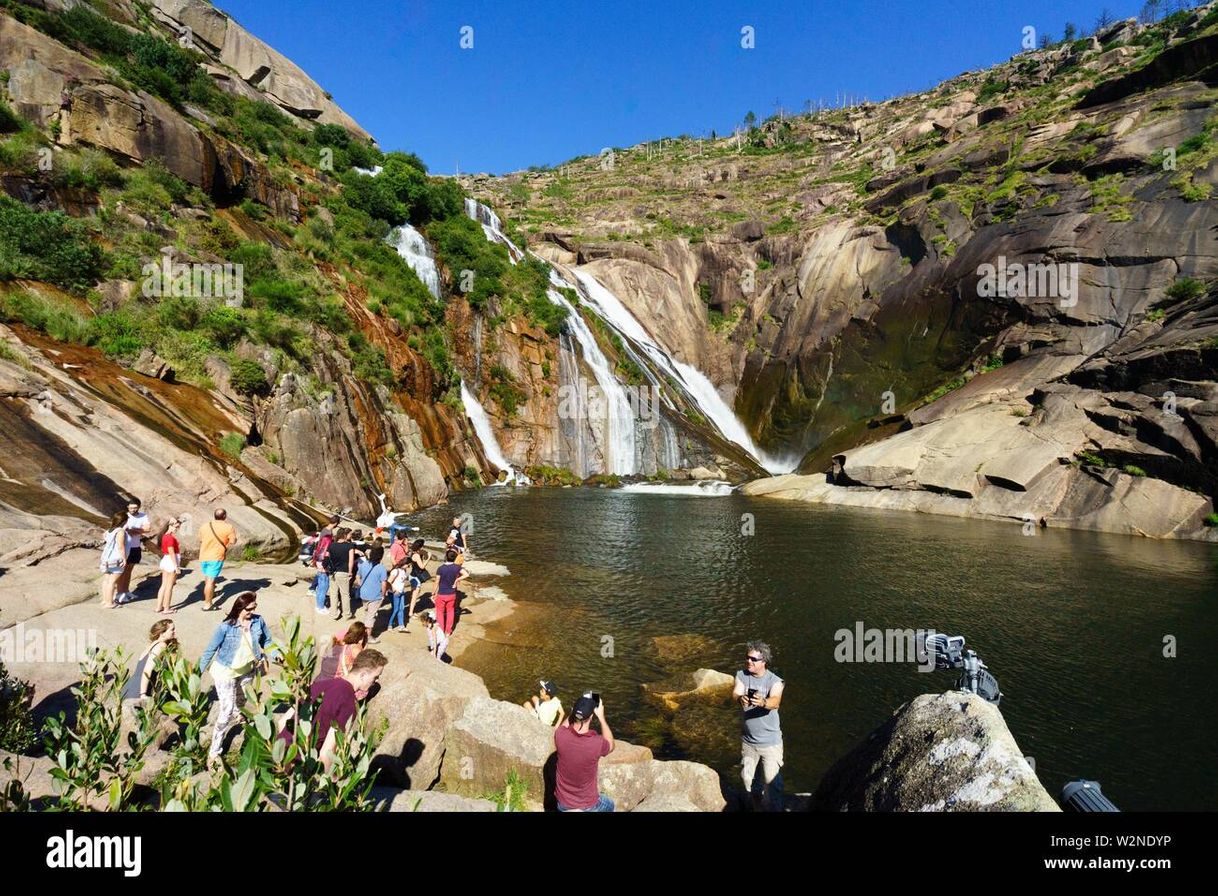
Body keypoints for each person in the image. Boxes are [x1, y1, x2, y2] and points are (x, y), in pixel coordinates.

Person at [199, 591, 276, 766]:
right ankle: (214, 752)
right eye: (249, 609)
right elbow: (210, 650)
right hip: (225, 671)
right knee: (225, 712)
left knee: (241, 702)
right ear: (240, 607)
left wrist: (276, 655)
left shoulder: (258, 621)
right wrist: (198, 672)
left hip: (247, 670)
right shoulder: (226, 626)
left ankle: (237, 713)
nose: (252, 611)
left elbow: (268, 642)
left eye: (254, 607)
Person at [284, 649, 387, 773]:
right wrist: (331, 783)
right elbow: (326, 753)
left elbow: (282, 722)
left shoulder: (320, 684)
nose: (375, 682)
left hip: (278, 756)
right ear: (363, 675)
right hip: (297, 767)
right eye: (375, 677)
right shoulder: (348, 703)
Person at [732, 640, 785, 811]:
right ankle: (757, 808)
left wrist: (763, 702)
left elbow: (775, 701)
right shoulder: (741, 675)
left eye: (754, 659)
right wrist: (740, 698)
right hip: (748, 743)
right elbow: (735, 693)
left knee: (773, 784)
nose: (749, 661)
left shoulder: (775, 681)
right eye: (747, 658)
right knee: (750, 782)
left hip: (771, 744)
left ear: (764, 662)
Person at [554, 694, 615, 812]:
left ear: (573, 711)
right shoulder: (596, 743)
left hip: (562, 803)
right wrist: (602, 717)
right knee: (610, 804)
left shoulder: (560, 735)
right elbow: (611, 745)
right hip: (587, 805)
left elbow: (564, 725)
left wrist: (576, 710)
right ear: (592, 716)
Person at [122, 620, 178, 702]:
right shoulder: (161, 646)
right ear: (162, 633)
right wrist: (143, 694)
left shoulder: (152, 645)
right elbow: (147, 670)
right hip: (138, 691)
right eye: (172, 629)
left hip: (130, 687)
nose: (175, 631)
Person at [199, 509, 237, 611]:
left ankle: (210, 594)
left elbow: (201, 540)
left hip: (203, 555)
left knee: (208, 577)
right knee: (210, 581)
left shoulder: (205, 526)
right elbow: (233, 541)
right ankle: (208, 604)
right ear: (224, 516)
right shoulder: (228, 527)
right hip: (215, 557)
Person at [115, 498, 150, 604]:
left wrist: (133, 531)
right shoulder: (124, 516)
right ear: (127, 507)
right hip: (126, 547)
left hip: (135, 546)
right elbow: (121, 529)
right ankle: (119, 593)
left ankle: (126, 591)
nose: (133, 510)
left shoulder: (143, 516)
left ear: (139, 507)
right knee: (122, 571)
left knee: (129, 570)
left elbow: (148, 529)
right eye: (131, 507)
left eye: (135, 508)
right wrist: (139, 530)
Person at [433, 548, 469, 638]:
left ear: (445, 557)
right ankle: (448, 631)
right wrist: (457, 579)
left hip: (441, 594)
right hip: (452, 594)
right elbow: (466, 574)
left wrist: (433, 592)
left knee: (440, 612)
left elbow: (437, 582)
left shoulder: (440, 568)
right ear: (455, 558)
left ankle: (441, 630)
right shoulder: (457, 568)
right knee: (450, 612)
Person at [356, 545, 389, 641]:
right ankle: (368, 636)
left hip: (364, 593)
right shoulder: (381, 568)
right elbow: (384, 584)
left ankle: (365, 631)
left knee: (367, 613)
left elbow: (358, 576)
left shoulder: (364, 564)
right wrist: (383, 594)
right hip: (375, 595)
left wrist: (361, 585)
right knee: (371, 616)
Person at [99, 511, 128, 609]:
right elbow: (120, 546)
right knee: (112, 581)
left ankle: (105, 600)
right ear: (124, 521)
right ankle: (109, 603)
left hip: (106, 558)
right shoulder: (120, 531)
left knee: (106, 580)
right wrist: (124, 558)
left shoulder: (108, 531)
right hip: (116, 559)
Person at [325, 528, 356, 621]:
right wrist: (350, 572)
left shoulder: (331, 545)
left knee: (333, 593)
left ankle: (334, 613)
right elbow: (351, 561)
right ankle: (346, 614)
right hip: (344, 571)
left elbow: (327, 557)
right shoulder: (350, 546)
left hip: (332, 572)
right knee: (345, 594)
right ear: (344, 535)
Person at [156, 517, 183, 614]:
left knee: (164, 585)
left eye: (178, 527)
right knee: (169, 586)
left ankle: (159, 606)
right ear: (170, 525)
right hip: (171, 561)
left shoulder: (164, 536)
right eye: (176, 527)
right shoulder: (170, 538)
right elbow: (172, 552)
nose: (177, 529)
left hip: (166, 560)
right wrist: (176, 566)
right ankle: (166, 608)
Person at [405, 539, 431, 621]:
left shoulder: (414, 553)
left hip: (413, 576)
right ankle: (410, 613)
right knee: (414, 596)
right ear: (420, 547)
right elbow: (422, 567)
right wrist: (428, 558)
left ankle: (410, 611)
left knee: (413, 595)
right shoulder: (416, 555)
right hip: (416, 578)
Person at [386, 559, 411, 633]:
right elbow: (389, 582)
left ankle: (401, 626)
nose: (408, 566)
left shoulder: (403, 571)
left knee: (401, 609)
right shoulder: (395, 571)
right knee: (396, 609)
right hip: (395, 593)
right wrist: (394, 590)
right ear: (404, 563)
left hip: (401, 592)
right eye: (408, 564)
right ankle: (390, 625)